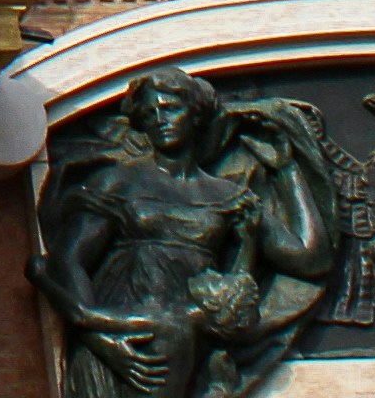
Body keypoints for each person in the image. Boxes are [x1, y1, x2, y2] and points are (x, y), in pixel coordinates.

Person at [27, 65, 344, 398]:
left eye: (170, 108)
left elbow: (311, 260)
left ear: (195, 115)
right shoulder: (119, 182)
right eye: (149, 112)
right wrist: (103, 341)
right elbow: (68, 262)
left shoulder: (227, 195)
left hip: (189, 341)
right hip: (128, 343)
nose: (160, 119)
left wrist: (286, 170)